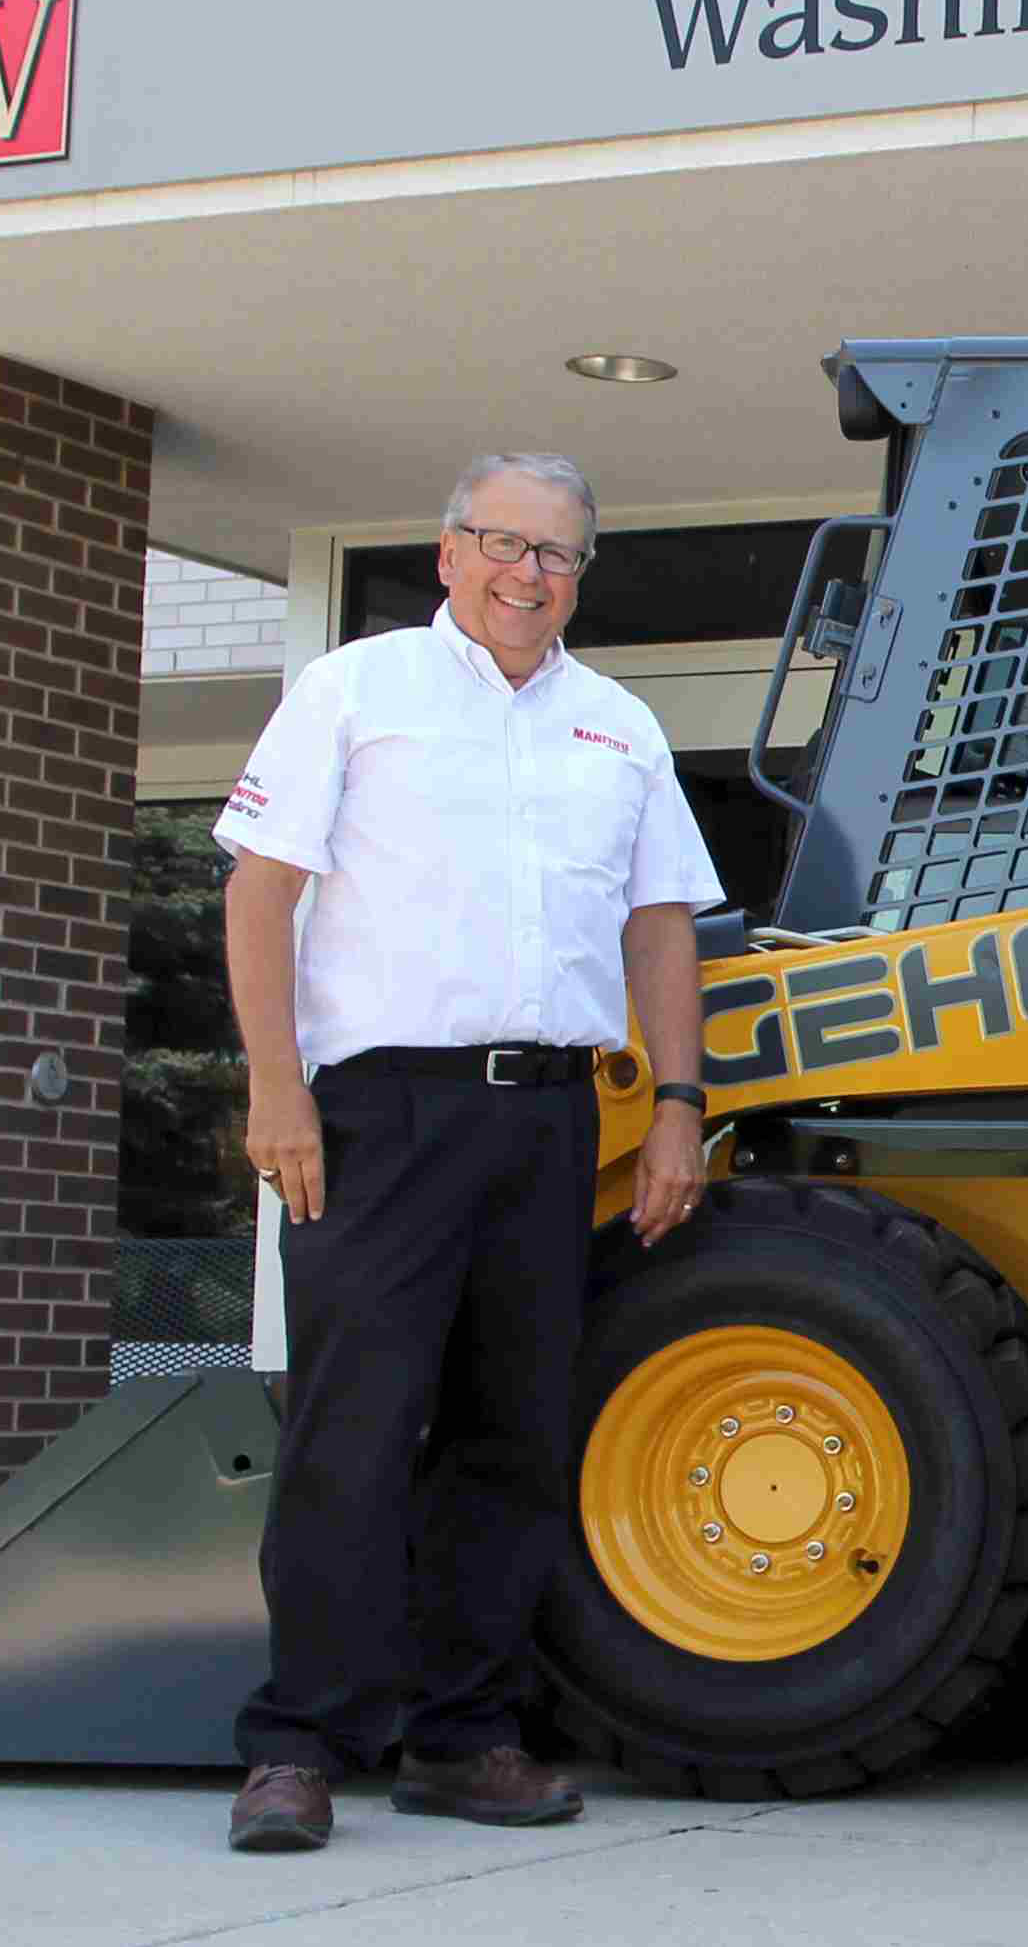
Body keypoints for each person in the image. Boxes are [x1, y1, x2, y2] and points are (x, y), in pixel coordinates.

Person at [214, 452, 723, 1855]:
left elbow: (661, 925)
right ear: (448, 553)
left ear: (580, 578)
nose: (530, 574)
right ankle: (299, 1745)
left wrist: (679, 1101)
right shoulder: (353, 692)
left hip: (553, 1119)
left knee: (511, 1440)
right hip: (375, 1119)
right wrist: (275, 1088)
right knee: (353, 1436)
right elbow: (262, 894)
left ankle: (464, 1738)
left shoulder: (619, 726)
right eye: (505, 544)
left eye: (558, 555)